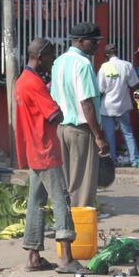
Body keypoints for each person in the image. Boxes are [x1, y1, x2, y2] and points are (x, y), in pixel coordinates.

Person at [15, 38, 83, 274]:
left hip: (33, 151)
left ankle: (33, 256)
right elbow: (55, 115)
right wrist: (62, 106)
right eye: (52, 57)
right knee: (60, 200)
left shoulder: (21, 82)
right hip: (46, 150)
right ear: (40, 56)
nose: (53, 62)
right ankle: (66, 258)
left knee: (36, 202)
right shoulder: (35, 83)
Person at [50, 22, 109, 208]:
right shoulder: (83, 64)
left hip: (62, 129)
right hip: (81, 131)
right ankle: (78, 231)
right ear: (81, 41)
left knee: (68, 182)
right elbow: (86, 103)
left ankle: (66, 224)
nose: (98, 45)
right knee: (82, 186)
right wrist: (99, 136)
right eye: (94, 41)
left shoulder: (58, 62)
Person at [97, 44, 139, 166]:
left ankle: (112, 160)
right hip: (123, 105)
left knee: (109, 134)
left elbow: (100, 89)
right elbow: (134, 84)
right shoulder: (127, 65)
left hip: (107, 106)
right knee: (128, 133)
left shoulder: (104, 68)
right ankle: (134, 160)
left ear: (106, 55)